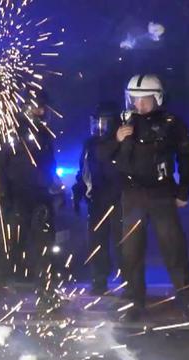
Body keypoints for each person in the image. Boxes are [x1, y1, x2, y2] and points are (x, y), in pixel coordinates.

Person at [106, 74, 189, 321]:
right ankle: (133, 302)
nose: (138, 105)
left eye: (144, 99)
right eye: (134, 99)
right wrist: (116, 139)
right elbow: (101, 153)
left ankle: (188, 301)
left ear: (157, 97)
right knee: (131, 252)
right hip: (132, 195)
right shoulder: (121, 122)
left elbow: (186, 158)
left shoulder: (172, 123)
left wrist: (184, 190)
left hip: (161, 194)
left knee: (174, 250)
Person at [1, 90, 60, 282]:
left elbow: (49, 163)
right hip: (20, 193)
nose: (41, 111)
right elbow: (0, 165)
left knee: (44, 238)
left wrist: (55, 190)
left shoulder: (44, 134)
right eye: (37, 108)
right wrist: (5, 196)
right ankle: (15, 275)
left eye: (43, 108)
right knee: (18, 237)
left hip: (41, 194)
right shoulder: (14, 133)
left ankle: (44, 276)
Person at [72, 102, 125, 296]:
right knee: (96, 243)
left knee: (123, 244)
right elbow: (84, 171)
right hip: (97, 200)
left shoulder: (122, 142)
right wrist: (78, 191)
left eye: (103, 123)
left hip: (119, 200)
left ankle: (129, 283)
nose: (98, 127)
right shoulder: (90, 143)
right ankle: (99, 281)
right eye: (96, 123)